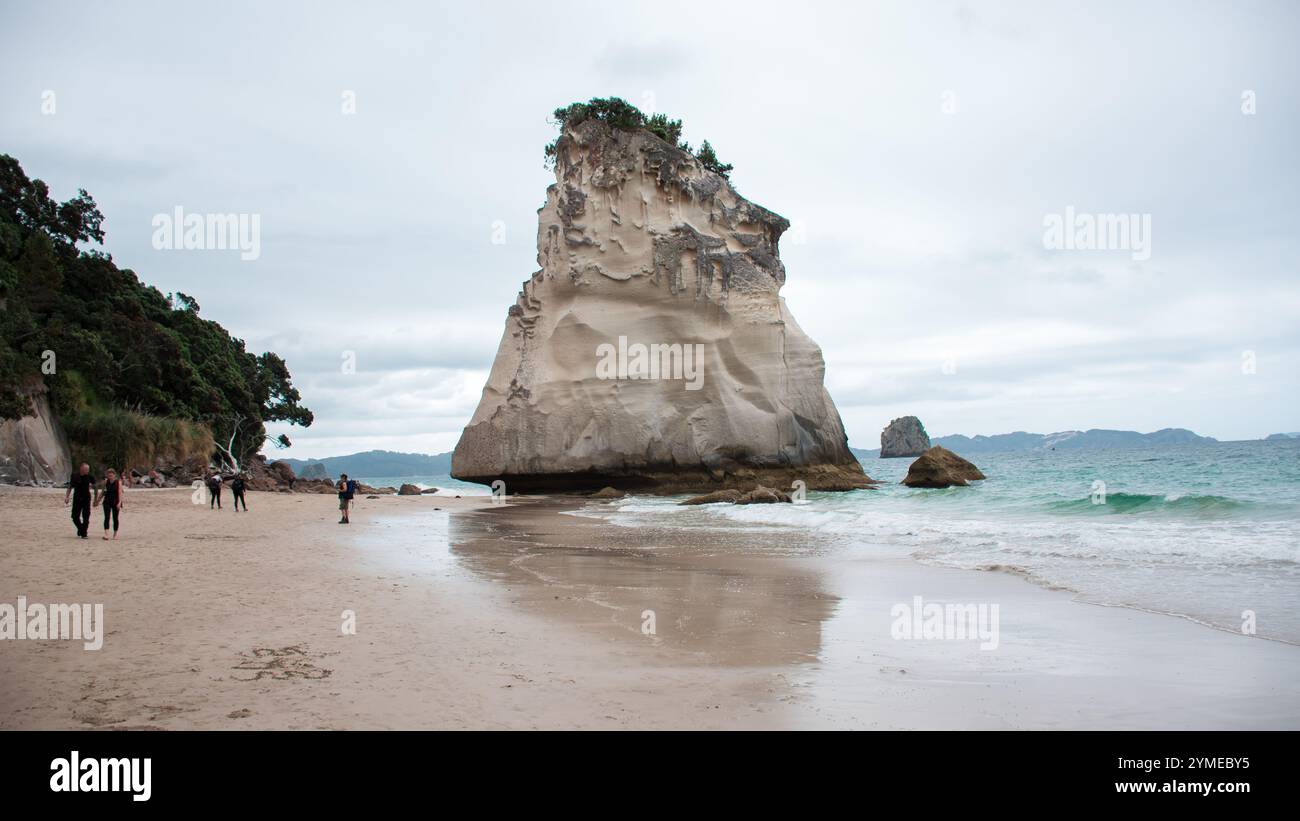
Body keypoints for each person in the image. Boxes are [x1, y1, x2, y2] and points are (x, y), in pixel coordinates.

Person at [64, 463, 94, 538]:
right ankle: (81, 529)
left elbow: (96, 485)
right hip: (77, 498)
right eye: (86, 469)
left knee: (86, 516)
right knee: (74, 516)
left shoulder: (89, 476)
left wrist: (96, 498)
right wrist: (67, 497)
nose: (87, 471)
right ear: (81, 468)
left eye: (88, 469)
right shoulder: (74, 475)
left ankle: (84, 533)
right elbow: (70, 486)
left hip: (86, 498)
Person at [93, 468, 124, 540]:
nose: (110, 476)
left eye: (111, 475)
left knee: (115, 518)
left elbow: (120, 493)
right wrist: (97, 501)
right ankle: (106, 534)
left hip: (116, 501)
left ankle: (115, 534)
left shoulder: (118, 482)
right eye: (109, 475)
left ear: (114, 475)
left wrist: (119, 502)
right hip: (107, 501)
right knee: (106, 517)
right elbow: (103, 492)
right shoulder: (106, 482)